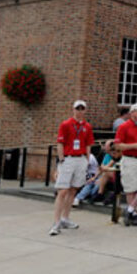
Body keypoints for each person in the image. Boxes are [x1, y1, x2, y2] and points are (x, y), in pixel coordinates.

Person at [50, 100, 94, 235]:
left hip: (81, 159)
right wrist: (61, 160)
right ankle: (56, 222)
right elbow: (60, 143)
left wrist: (87, 160)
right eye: (77, 108)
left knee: (73, 190)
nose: (80, 111)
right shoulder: (66, 124)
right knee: (62, 191)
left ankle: (65, 218)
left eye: (82, 109)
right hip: (68, 159)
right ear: (73, 109)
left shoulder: (87, 126)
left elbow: (88, 145)